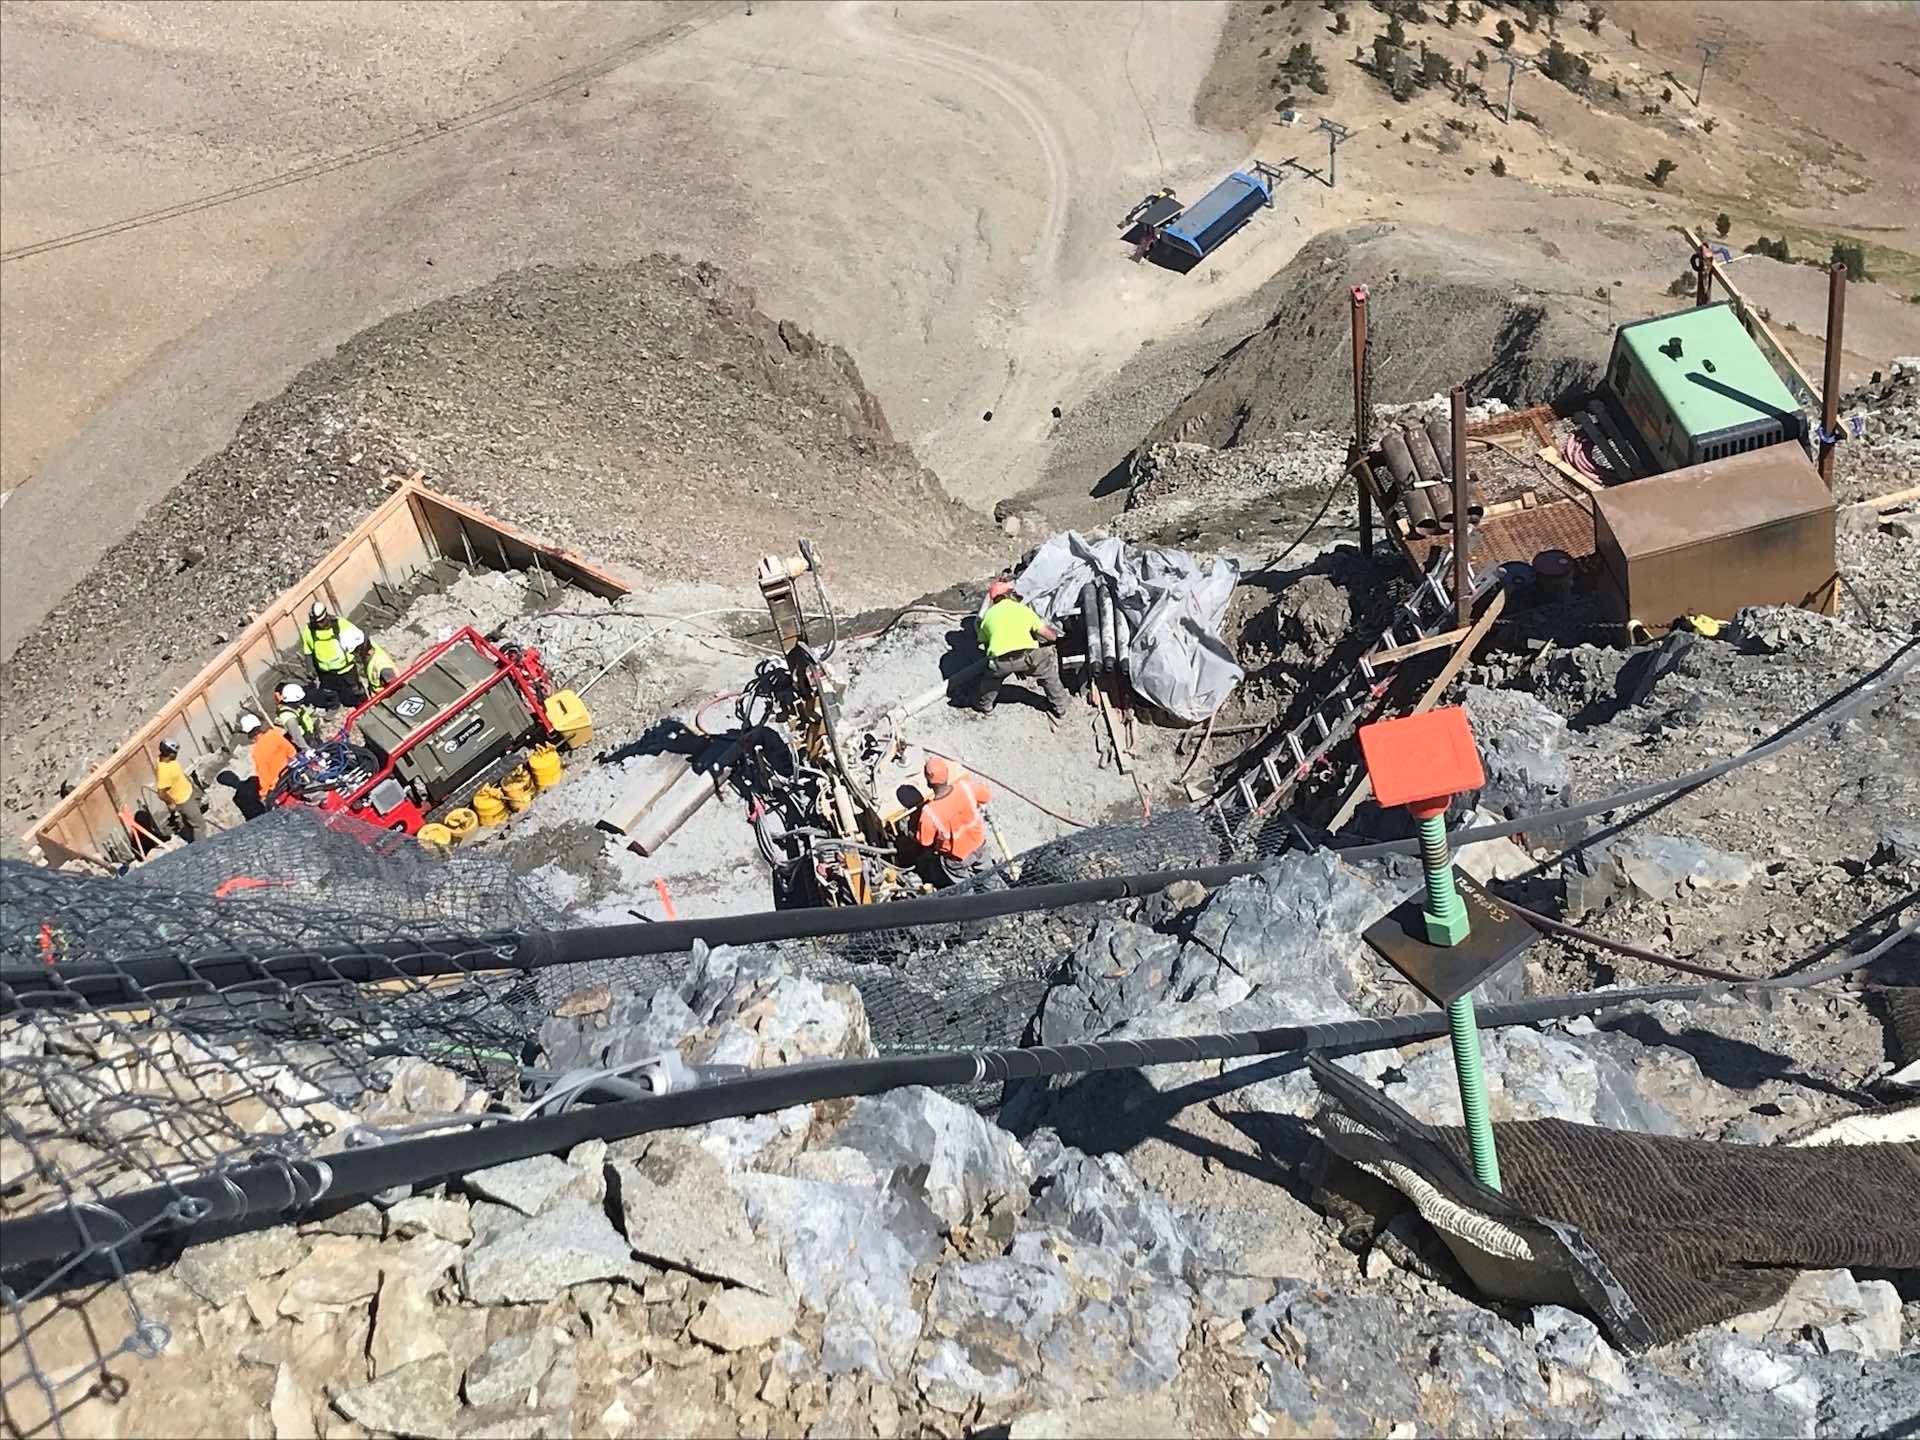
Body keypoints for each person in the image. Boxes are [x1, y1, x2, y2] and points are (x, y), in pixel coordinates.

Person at [973, 579, 1068, 721]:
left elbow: (982, 640)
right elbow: (1049, 636)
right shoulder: (1023, 609)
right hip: (1027, 656)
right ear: (1008, 595)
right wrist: (1052, 636)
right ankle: (1060, 708)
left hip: (1001, 660)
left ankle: (985, 706)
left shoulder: (988, 616)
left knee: (991, 680)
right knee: (1048, 674)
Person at [913, 755, 994, 887]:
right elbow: (986, 796)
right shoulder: (966, 788)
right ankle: (1005, 900)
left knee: (964, 887)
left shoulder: (929, 812)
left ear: (928, 782)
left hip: (956, 859)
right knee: (990, 876)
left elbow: (925, 841)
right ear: (947, 774)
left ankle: (973, 904)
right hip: (979, 847)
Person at [300, 601, 357, 705]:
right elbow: (308, 651)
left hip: (346, 668)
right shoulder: (309, 631)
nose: (319, 624)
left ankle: (361, 704)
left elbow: (357, 638)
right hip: (326, 672)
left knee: (354, 692)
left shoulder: (340, 624)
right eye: (316, 622)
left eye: (321, 621)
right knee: (330, 692)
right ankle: (334, 706)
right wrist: (309, 669)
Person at [148, 739, 205, 843]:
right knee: (200, 826)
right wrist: (171, 803)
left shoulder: (168, 760)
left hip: (188, 792)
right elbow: (161, 793)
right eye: (175, 753)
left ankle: (192, 839)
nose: (176, 755)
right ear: (169, 753)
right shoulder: (164, 771)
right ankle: (201, 847)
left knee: (190, 822)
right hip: (183, 801)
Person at [240, 712, 296, 807]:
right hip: (293, 774)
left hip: (280, 785)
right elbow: (292, 751)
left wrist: (263, 794)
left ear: (247, 733)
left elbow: (264, 777)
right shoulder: (273, 734)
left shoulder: (257, 752)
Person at [273, 682, 322, 752]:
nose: (302, 701)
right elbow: (297, 737)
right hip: (306, 741)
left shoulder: (294, 707)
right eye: (299, 700)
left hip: (310, 736)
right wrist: (307, 750)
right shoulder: (290, 718)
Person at [353, 633, 399, 699]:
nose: (356, 655)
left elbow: (394, 685)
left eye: (358, 652)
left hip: (385, 696)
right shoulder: (369, 647)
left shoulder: (381, 666)